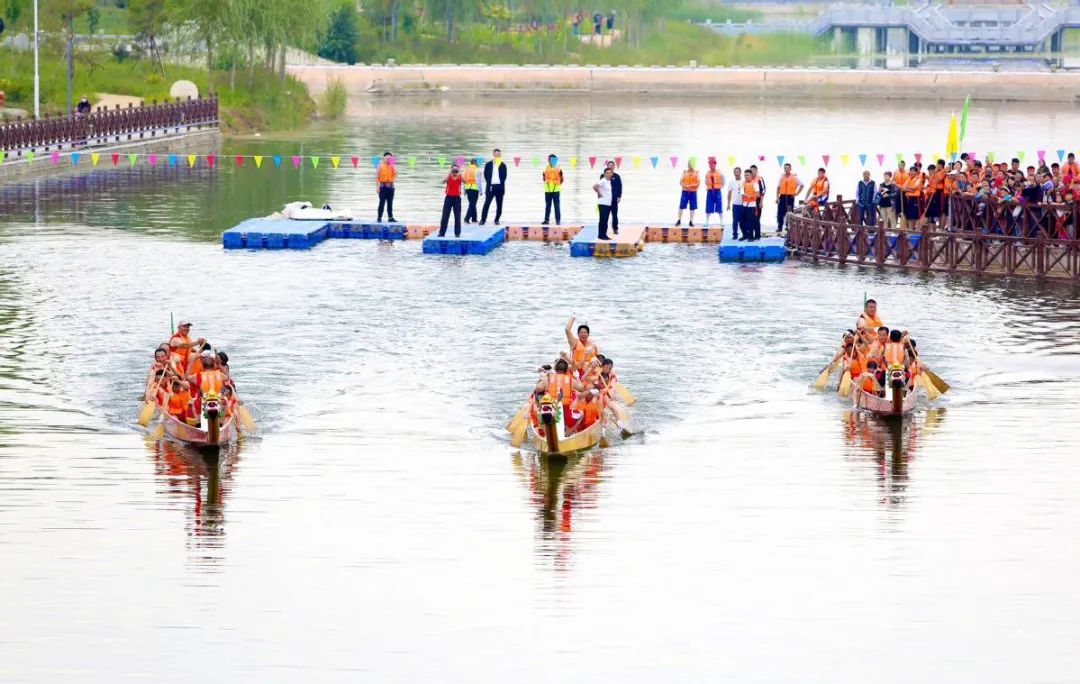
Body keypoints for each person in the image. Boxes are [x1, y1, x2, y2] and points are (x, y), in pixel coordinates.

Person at [480, 149, 507, 226]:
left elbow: (504, 176)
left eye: (499, 154)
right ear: (493, 155)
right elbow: (485, 175)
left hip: (500, 188)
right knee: (487, 204)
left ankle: (497, 219)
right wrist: (489, 182)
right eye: (497, 154)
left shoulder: (503, 165)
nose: (498, 155)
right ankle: (483, 220)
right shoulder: (488, 164)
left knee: (499, 205)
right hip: (490, 187)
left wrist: (500, 183)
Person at [438, 165, 464, 237]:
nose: (454, 171)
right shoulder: (449, 177)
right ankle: (442, 233)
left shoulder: (459, 177)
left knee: (457, 217)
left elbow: (466, 182)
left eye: (456, 170)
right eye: (453, 170)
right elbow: (442, 181)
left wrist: (460, 173)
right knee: (445, 216)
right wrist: (449, 173)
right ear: (451, 170)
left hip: (457, 199)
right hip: (448, 198)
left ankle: (457, 233)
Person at [776, 163, 802, 232]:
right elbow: (778, 188)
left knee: (789, 212)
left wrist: (796, 193)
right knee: (780, 212)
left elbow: (802, 185)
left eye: (787, 168)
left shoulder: (795, 177)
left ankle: (789, 227)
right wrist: (777, 197)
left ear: (790, 169)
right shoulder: (781, 177)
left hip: (790, 197)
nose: (786, 169)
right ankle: (779, 227)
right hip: (782, 196)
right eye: (785, 168)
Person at [600, 160, 622, 234]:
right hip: (605, 200)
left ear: (614, 167)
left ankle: (615, 229)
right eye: (609, 165)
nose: (610, 167)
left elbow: (620, 187)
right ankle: (604, 230)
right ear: (607, 167)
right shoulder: (602, 176)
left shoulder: (617, 176)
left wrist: (619, 196)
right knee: (604, 216)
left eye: (612, 166)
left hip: (614, 199)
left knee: (615, 215)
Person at [676, 160, 699, 227]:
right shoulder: (684, 172)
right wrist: (685, 186)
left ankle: (691, 221)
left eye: (691, 164)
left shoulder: (696, 173)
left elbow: (698, 183)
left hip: (693, 192)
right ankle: (679, 220)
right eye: (689, 164)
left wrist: (690, 186)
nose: (690, 166)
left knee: (692, 207)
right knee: (681, 206)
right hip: (685, 191)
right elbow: (680, 182)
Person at [542, 154, 564, 226]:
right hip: (547, 190)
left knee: (557, 206)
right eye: (548, 159)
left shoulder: (559, 169)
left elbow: (562, 180)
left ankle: (558, 221)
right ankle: (546, 220)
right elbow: (544, 178)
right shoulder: (546, 168)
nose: (549, 161)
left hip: (556, 191)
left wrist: (557, 183)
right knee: (547, 206)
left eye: (550, 159)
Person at [375, 152, 397, 223]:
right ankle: (379, 218)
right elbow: (377, 177)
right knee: (381, 203)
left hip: (391, 187)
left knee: (390, 203)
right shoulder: (380, 166)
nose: (388, 158)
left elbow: (396, 173)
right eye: (387, 157)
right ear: (383, 158)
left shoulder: (392, 165)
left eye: (390, 157)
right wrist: (377, 187)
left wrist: (392, 164)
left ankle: (390, 218)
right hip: (382, 187)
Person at [593, 167, 615, 240]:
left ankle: (603, 234)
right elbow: (594, 186)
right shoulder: (603, 180)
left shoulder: (609, 181)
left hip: (608, 204)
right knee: (603, 220)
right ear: (604, 174)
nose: (609, 174)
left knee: (605, 220)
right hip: (603, 203)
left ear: (612, 174)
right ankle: (602, 235)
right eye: (607, 173)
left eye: (610, 173)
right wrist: (599, 193)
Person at [740, 167, 761, 241]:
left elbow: (758, 194)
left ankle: (751, 237)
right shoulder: (743, 184)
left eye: (748, 175)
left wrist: (751, 196)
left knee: (751, 222)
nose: (746, 176)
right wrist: (745, 195)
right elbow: (742, 192)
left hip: (752, 205)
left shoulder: (755, 184)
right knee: (742, 221)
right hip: (744, 204)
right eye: (745, 175)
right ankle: (745, 235)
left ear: (751, 176)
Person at [704, 158, 725, 228]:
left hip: (717, 191)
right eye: (709, 164)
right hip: (710, 191)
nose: (711, 165)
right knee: (708, 206)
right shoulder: (707, 173)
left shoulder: (720, 172)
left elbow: (723, 181)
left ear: (715, 164)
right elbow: (705, 181)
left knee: (719, 206)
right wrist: (707, 186)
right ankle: (706, 222)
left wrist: (720, 187)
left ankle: (721, 222)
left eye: (712, 163)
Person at [726, 166, 744, 240]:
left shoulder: (744, 181)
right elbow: (729, 193)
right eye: (735, 172)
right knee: (735, 220)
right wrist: (728, 204)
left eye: (738, 172)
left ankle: (744, 234)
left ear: (740, 172)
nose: (736, 173)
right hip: (735, 204)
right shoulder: (731, 182)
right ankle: (735, 235)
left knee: (743, 221)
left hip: (744, 204)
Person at [463, 158, 482, 224]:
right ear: (474, 163)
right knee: (472, 204)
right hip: (474, 189)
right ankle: (466, 218)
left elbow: (464, 180)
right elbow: (478, 181)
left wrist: (464, 190)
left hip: (468, 188)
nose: (478, 164)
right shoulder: (477, 170)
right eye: (477, 162)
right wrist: (480, 190)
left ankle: (474, 218)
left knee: (472, 204)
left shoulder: (466, 170)